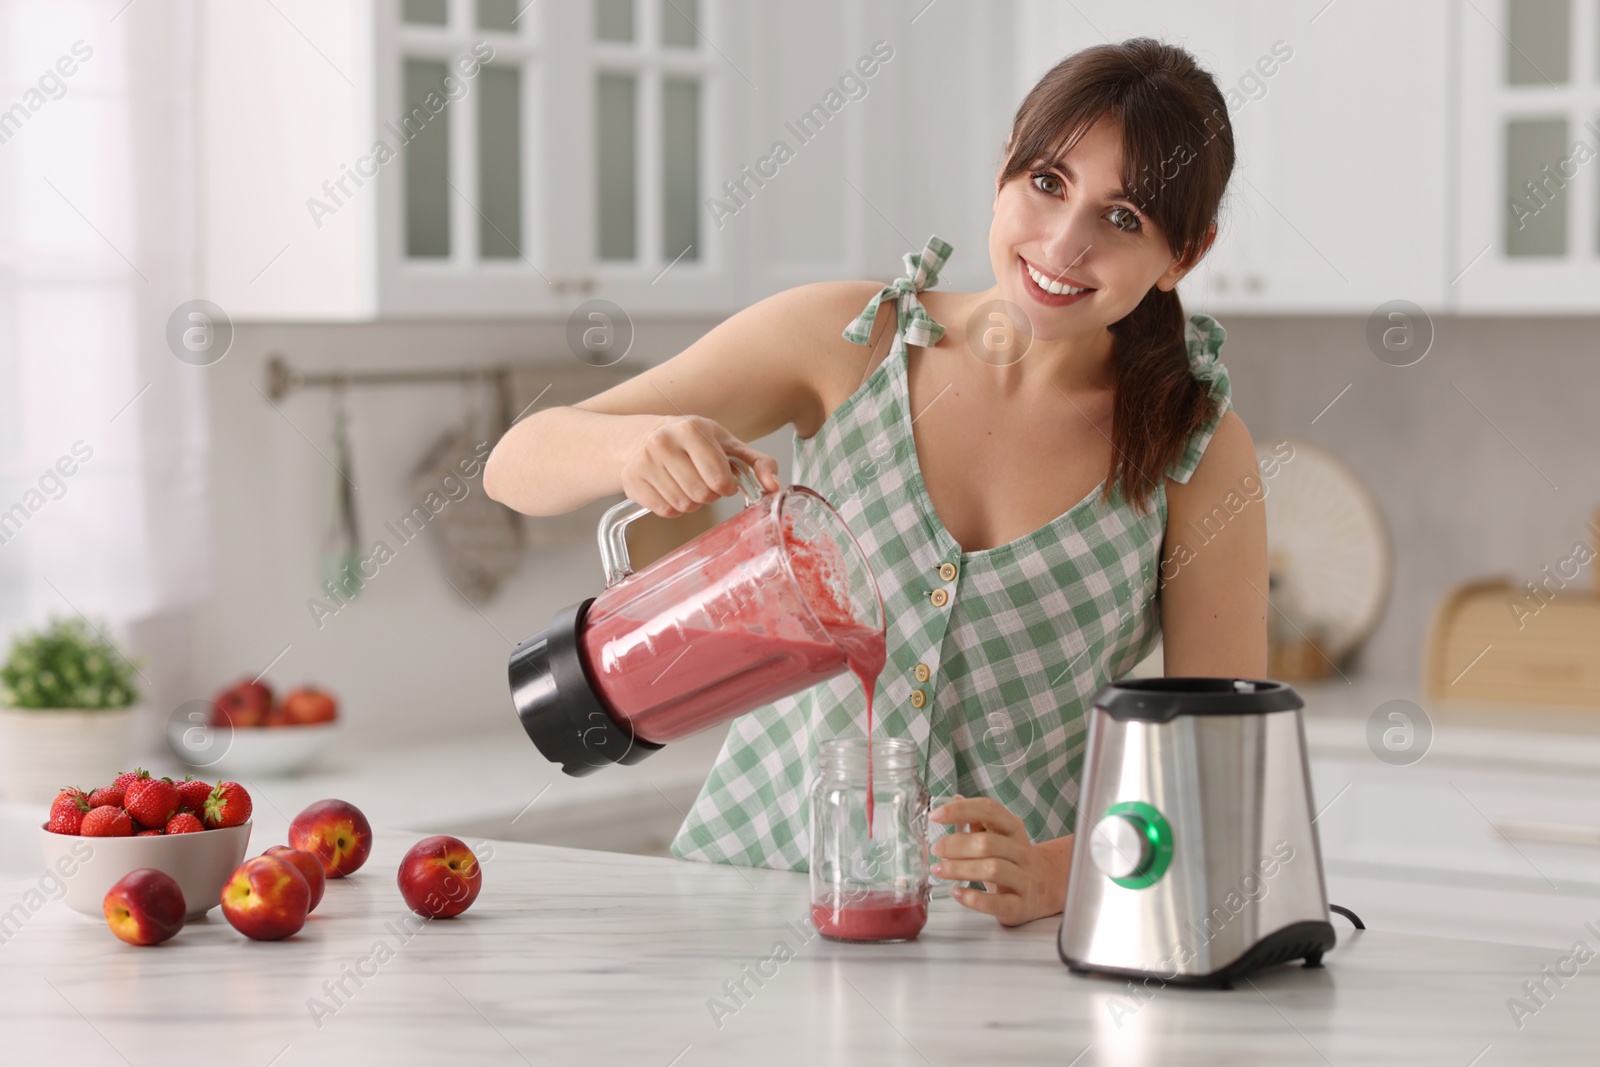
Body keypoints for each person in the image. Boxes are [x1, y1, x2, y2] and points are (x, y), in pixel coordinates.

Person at [485, 38, 1266, 927]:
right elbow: (516, 462)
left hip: (1004, 947)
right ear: (1006, 163)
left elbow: (1220, 771)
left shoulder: (1196, 453)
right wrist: (630, 451)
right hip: (747, 904)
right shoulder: (851, 338)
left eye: (1123, 218)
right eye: (1047, 182)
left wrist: (1055, 874)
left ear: (1184, 255)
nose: (1063, 242)